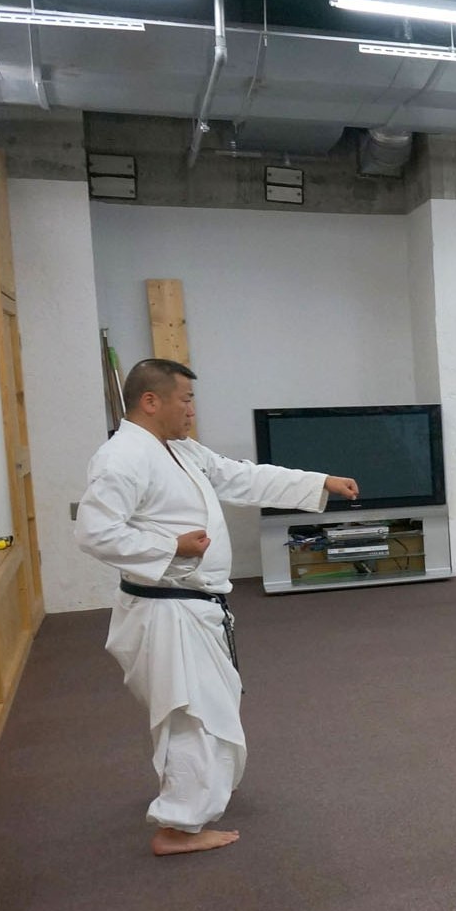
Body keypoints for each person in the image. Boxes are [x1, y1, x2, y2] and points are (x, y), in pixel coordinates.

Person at [76, 358, 359, 855]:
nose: (190, 409)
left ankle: (197, 794)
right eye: (184, 398)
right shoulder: (122, 457)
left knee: (208, 707)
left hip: (194, 605)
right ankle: (177, 826)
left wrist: (319, 484)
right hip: (165, 609)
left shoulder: (180, 450)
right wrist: (171, 547)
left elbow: (242, 478)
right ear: (151, 400)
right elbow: (95, 532)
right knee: (193, 713)